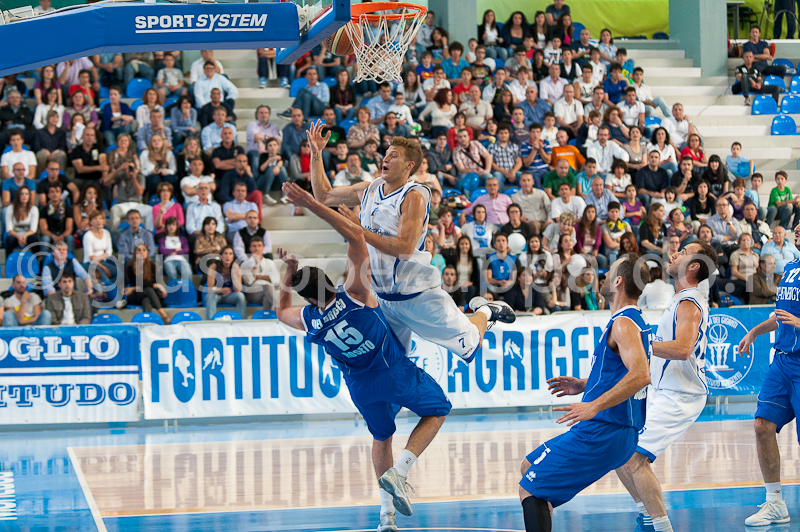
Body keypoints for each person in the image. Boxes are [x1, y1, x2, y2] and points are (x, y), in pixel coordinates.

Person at [277, 181, 453, 531]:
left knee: (381, 436)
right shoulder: (354, 293)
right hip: (394, 372)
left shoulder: (310, 320)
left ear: (309, 299)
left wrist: (287, 274)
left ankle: (386, 516)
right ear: (329, 281)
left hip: (360, 388)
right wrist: (353, 218)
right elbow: (358, 241)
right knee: (438, 410)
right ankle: (400, 472)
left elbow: (281, 312)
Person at [304, 121, 515, 364]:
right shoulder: (370, 189)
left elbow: (404, 249)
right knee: (389, 362)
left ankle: (486, 311)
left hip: (417, 294)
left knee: (470, 347)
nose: (386, 158)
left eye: (393, 155)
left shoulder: (414, 196)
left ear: (408, 165)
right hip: (384, 297)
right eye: (386, 154)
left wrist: (359, 230)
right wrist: (316, 153)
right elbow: (323, 195)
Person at [520, 255, 651, 531]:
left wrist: (594, 405)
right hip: (612, 430)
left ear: (618, 282)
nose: (602, 277)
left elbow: (640, 375)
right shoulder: (630, 320)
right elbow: (621, 371)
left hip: (604, 431)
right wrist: (584, 385)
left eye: (609, 273)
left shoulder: (624, 323)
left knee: (531, 489)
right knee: (528, 466)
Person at [616, 241, 717, 532]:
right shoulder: (679, 298)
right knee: (616, 448)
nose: (674, 253)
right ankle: (646, 513)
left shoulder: (689, 302)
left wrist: (643, 343)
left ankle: (661, 527)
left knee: (634, 457)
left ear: (694, 266)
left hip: (680, 394)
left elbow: (684, 348)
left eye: (683, 252)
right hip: (662, 390)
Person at [738, 220, 800, 527]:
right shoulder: (790, 267)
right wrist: (755, 332)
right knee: (762, 425)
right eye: (797, 226)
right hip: (783, 362)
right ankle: (775, 502)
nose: (798, 229)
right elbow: (781, 315)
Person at [123, 243, 169, 323]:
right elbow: (137, 284)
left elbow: (149, 283)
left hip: (148, 294)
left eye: (144, 250)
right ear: (135, 253)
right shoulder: (130, 267)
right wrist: (157, 285)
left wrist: (134, 287)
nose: (141, 252)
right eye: (139, 250)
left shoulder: (153, 265)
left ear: (147, 252)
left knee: (146, 300)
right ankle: (162, 313)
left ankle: (147, 323)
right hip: (135, 295)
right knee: (148, 290)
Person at [204, 246, 246, 319]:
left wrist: (233, 272)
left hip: (229, 296)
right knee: (210, 295)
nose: (227, 256)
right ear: (221, 256)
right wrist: (221, 290)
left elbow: (238, 290)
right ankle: (210, 322)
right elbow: (210, 288)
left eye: (230, 254)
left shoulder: (236, 268)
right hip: (215, 295)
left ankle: (242, 321)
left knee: (240, 296)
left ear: (233, 257)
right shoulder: (213, 266)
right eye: (225, 253)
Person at [39, 182, 75, 254]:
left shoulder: (67, 209)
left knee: (70, 238)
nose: (55, 194)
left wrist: (62, 236)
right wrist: (53, 236)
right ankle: (45, 262)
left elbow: (69, 228)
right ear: (48, 195)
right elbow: (44, 229)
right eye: (52, 192)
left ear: (61, 194)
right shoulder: (44, 210)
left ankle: (70, 261)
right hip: (50, 235)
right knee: (45, 239)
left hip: (63, 234)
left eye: (57, 191)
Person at [82, 210, 116, 283]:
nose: (98, 221)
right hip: (90, 264)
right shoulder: (87, 236)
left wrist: (97, 258)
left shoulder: (106, 233)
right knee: (104, 278)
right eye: (95, 219)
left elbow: (109, 252)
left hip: (102, 261)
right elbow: (91, 257)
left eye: (100, 218)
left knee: (119, 273)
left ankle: (117, 291)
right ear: (90, 222)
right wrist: (104, 268)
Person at [4, 186, 38, 259]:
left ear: (29, 196)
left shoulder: (34, 209)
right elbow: (9, 229)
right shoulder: (10, 208)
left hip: (28, 235)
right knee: (9, 239)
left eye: (26, 194)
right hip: (15, 235)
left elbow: (33, 229)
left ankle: (37, 262)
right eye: (22, 194)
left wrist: (24, 236)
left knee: (35, 239)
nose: (24, 196)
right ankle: (8, 261)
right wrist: (19, 237)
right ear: (18, 196)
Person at [159, 216, 192, 282]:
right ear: (166, 227)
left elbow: (186, 250)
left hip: (182, 260)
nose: (171, 227)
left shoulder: (183, 239)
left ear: (177, 226)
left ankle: (187, 291)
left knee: (188, 273)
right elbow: (163, 251)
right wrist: (177, 249)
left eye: (174, 224)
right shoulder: (162, 239)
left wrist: (170, 252)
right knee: (172, 273)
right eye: (169, 224)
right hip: (168, 260)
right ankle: (173, 291)